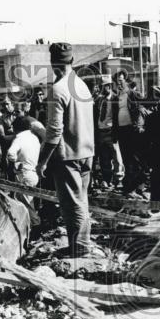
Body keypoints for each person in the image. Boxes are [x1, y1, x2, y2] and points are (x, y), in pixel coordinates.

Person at [38, 43, 96, 258]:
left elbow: (54, 131)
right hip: (87, 151)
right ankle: (83, 243)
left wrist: (42, 161)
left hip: (68, 155)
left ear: (53, 63)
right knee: (82, 200)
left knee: (72, 204)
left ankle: (80, 248)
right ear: (72, 61)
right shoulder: (81, 85)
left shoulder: (58, 89)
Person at [110, 70, 148, 198]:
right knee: (126, 160)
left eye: (121, 81)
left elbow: (147, 103)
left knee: (136, 160)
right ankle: (129, 188)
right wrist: (114, 134)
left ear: (125, 81)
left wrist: (140, 124)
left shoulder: (133, 94)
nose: (119, 84)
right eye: (117, 82)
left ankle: (138, 187)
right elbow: (114, 117)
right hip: (122, 132)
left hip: (133, 131)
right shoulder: (115, 98)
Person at [92, 75, 124, 190]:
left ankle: (118, 180)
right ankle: (107, 180)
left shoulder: (115, 99)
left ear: (109, 86)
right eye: (100, 87)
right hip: (101, 132)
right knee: (104, 158)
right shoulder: (99, 100)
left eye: (103, 87)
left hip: (111, 132)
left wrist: (116, 132)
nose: (101, 89)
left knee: (116, 157)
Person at [8, 115, 41, 186]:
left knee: (20, 197)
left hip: (23, 174)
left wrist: (16, 165)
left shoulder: (19, 138)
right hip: (34, 174)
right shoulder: (35, 138)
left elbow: (11, 153)